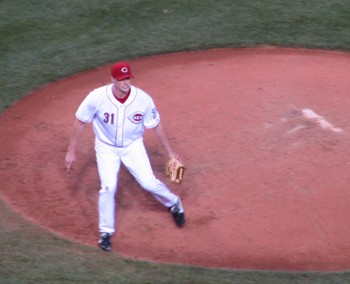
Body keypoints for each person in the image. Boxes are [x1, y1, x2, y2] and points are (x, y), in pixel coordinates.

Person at [65, 61, 185, 252]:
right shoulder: (96, 97)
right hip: (106, 148)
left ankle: (174, 203)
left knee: (148, 183)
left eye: (127, 78)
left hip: (132, 146)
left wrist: (170, 152)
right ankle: (106, 232)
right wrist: (71, 151)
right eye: (121, 79)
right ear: (112, 79)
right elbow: (80, 122)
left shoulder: (143, 99)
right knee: (108, 187)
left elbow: (156, 125)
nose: (125, 83)